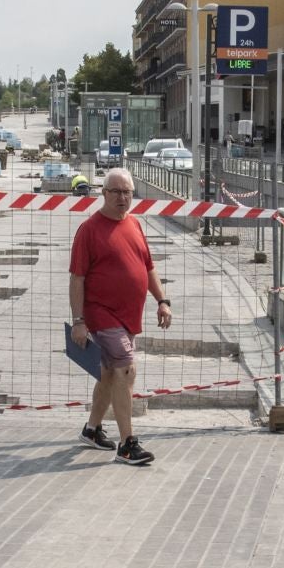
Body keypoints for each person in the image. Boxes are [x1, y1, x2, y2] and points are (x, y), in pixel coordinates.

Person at [69, 167, 171, 466]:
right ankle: (127, 444)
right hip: (102, 315)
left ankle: (91, 429)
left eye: (127, 192)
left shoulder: (135, 225)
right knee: (126, 370)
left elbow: (148, 267)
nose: (123, 197)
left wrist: (162, 301)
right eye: (116, 192)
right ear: (104, 193)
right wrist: (79, 321)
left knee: (110, 375)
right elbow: (77, 279)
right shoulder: (89, 230)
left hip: (129, 317)